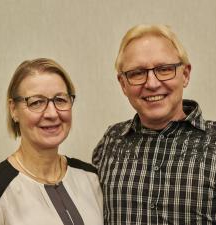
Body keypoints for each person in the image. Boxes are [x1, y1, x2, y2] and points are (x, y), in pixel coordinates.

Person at [92, 24, 216, 224]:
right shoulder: (110, 143)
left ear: (185, 74)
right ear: (123, 84)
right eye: (137, 73)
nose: (151, 83)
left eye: (164, 69)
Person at [0, 58, 103, 225]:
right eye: (36, 102)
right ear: (13, 109)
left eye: (60, 100)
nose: (52, 113)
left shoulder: (90, 178)